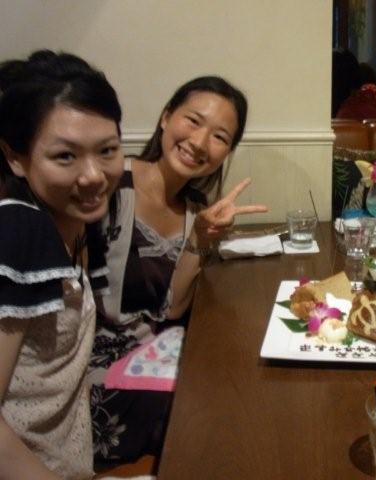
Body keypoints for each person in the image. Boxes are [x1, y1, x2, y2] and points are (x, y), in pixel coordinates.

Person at [89, 76, 268, 464]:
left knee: (241, 386)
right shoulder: (111, 186)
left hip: (153, 357)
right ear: (166, 117)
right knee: (214, 412)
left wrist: (199, 238)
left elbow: (171, 309)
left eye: (219, 137)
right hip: (99, 372)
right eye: (193, 121)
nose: (200, 142)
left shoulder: (196, 209)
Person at [0, 50, 124, 479]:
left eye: (107, 150)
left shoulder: (78, 223)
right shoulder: (19, 230)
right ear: (15, 158)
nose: (93, 175)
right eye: (65, 157)